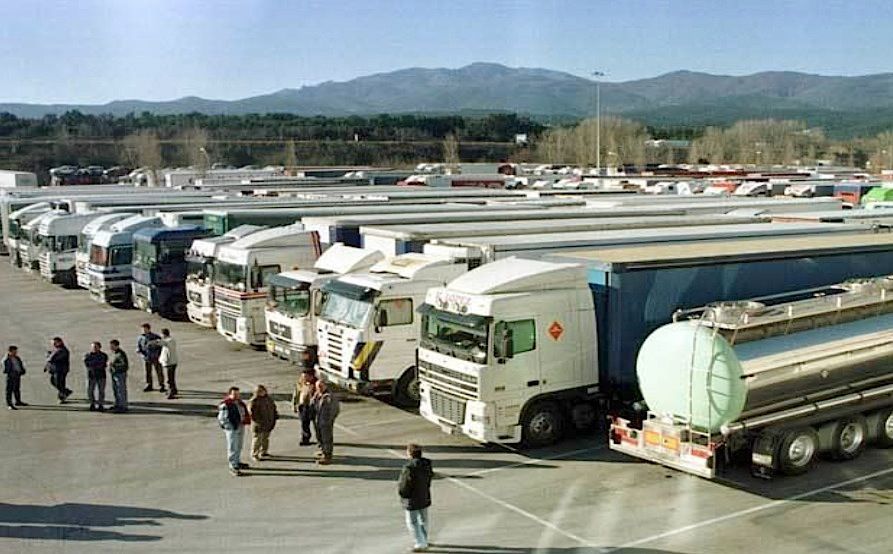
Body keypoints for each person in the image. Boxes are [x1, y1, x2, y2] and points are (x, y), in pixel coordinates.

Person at [398, 443, 434, 553]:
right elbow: (430, 477)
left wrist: (403, 494)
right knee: (423, 519)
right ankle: (424, 539)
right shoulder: (427, 463)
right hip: (424, 495)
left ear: (410, 453)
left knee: (413, 522)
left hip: (412, 498)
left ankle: (420, 543)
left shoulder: (409, 468)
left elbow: (404, 485)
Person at [218, 386, 251, 476]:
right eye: (234, 394)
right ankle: (232, 466)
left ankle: (237, 461)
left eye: (238, 394)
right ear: (229, 394)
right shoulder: (225, 404)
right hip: (232, 428)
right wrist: (229, 427)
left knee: (239, 446)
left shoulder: (240, 403)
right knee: (232, 447)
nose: (236, 396)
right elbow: (222, 418)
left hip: (240, 425)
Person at [312, 380, 340, 465]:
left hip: (325, 422)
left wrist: (329, 420)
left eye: (321, 386)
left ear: (325, 386)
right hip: (317, 420)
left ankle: (327, 456)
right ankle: (322, 450)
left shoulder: (329, 397)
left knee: (326, 439)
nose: (319, 388)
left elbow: (335, 410)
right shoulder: (317, 395)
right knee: (319, 437)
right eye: (318, 386)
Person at [248, 384, 278, 461]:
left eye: (262, 391)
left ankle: (264, 451)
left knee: (265, 438)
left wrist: (275, 416)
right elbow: (252, 413)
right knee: (257, 439)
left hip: (268, 422)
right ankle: (254, 454)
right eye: (258, 391)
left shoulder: (268, 399)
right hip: (259, 424)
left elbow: (274, 408)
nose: (261, 392)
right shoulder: (254, 401)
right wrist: (259, 421)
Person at [136, 323, 164, 392]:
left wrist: (160, 355)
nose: (143, 331)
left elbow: (161, 346)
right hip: (147, 357)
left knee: (159, 371)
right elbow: (139, 347)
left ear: (148, 329)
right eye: (142, 330)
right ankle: (149, 384)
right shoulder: (140, 338)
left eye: (145, 329)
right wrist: (142, 354)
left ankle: (161, 385)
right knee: (148, 372)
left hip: (156, 357)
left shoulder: (155, 337)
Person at [83, 341, 108, 411]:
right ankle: (92, 404)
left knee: (101, 391)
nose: (94, 348)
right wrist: (96, 364)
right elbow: (87, 364)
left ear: (100, 347)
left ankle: (101, 405)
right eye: (93, 347)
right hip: (91, 376)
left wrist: (93, 364)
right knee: (90, 391)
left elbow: (103, 364)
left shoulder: (103, 355)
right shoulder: (88, 355)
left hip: (101, 376)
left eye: (96, 347)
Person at [45, 337, 71, 403]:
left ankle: (62, 396)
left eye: (55, 343)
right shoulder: (56, 350)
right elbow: (50, 359)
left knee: (59, 383)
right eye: (53, 343)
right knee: (54, 382)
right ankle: (65, 392)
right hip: (55, 370)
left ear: (60, 342)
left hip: (61, 370)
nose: (53, 344)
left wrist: (49, 356)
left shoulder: (63, 350)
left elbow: (52, 359)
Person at [296, 368, 317, 445]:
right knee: (304, 423)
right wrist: (295, 404)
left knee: (317, 424)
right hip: (302, 405)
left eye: (305, 376)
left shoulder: (316, 384)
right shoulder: (301, 382)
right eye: (303, 376)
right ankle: (305, 438)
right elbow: (297, 393)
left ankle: (321, 439)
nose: (304, 378)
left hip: (311, 406)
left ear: (311, 376)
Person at [3, 345, 28, 410]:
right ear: (10, 351)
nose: (15, 352)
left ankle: (18, 401)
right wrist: (10, 372)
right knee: (9, 390)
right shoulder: (6, 359)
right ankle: (9, 404)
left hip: (17, 375)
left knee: (17, 389)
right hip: (11, 376)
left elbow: (20, 364)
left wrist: (22, 370)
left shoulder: (17, 358)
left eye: (16, 351)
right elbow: (5, 368)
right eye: (14, 351)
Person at [109, 339, 129, 413]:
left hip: (120, 374)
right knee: (116, 390)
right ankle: (117, 404)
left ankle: (123, 406)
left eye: (112, 346)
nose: (111, 347)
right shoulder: (114, 353)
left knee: (121, 390)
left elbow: (124, 365)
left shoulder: (121, 354)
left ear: (117, 346)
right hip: (114, 373)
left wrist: (113, 365)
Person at [159, 328, 179, 399]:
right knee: (171, 378)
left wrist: (155, 342)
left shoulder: (169, 341)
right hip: (170, 362)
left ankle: (171, 392)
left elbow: (163, 343)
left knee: (170, 379)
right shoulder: (169, 340)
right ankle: (173, 390)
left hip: (170, 362)